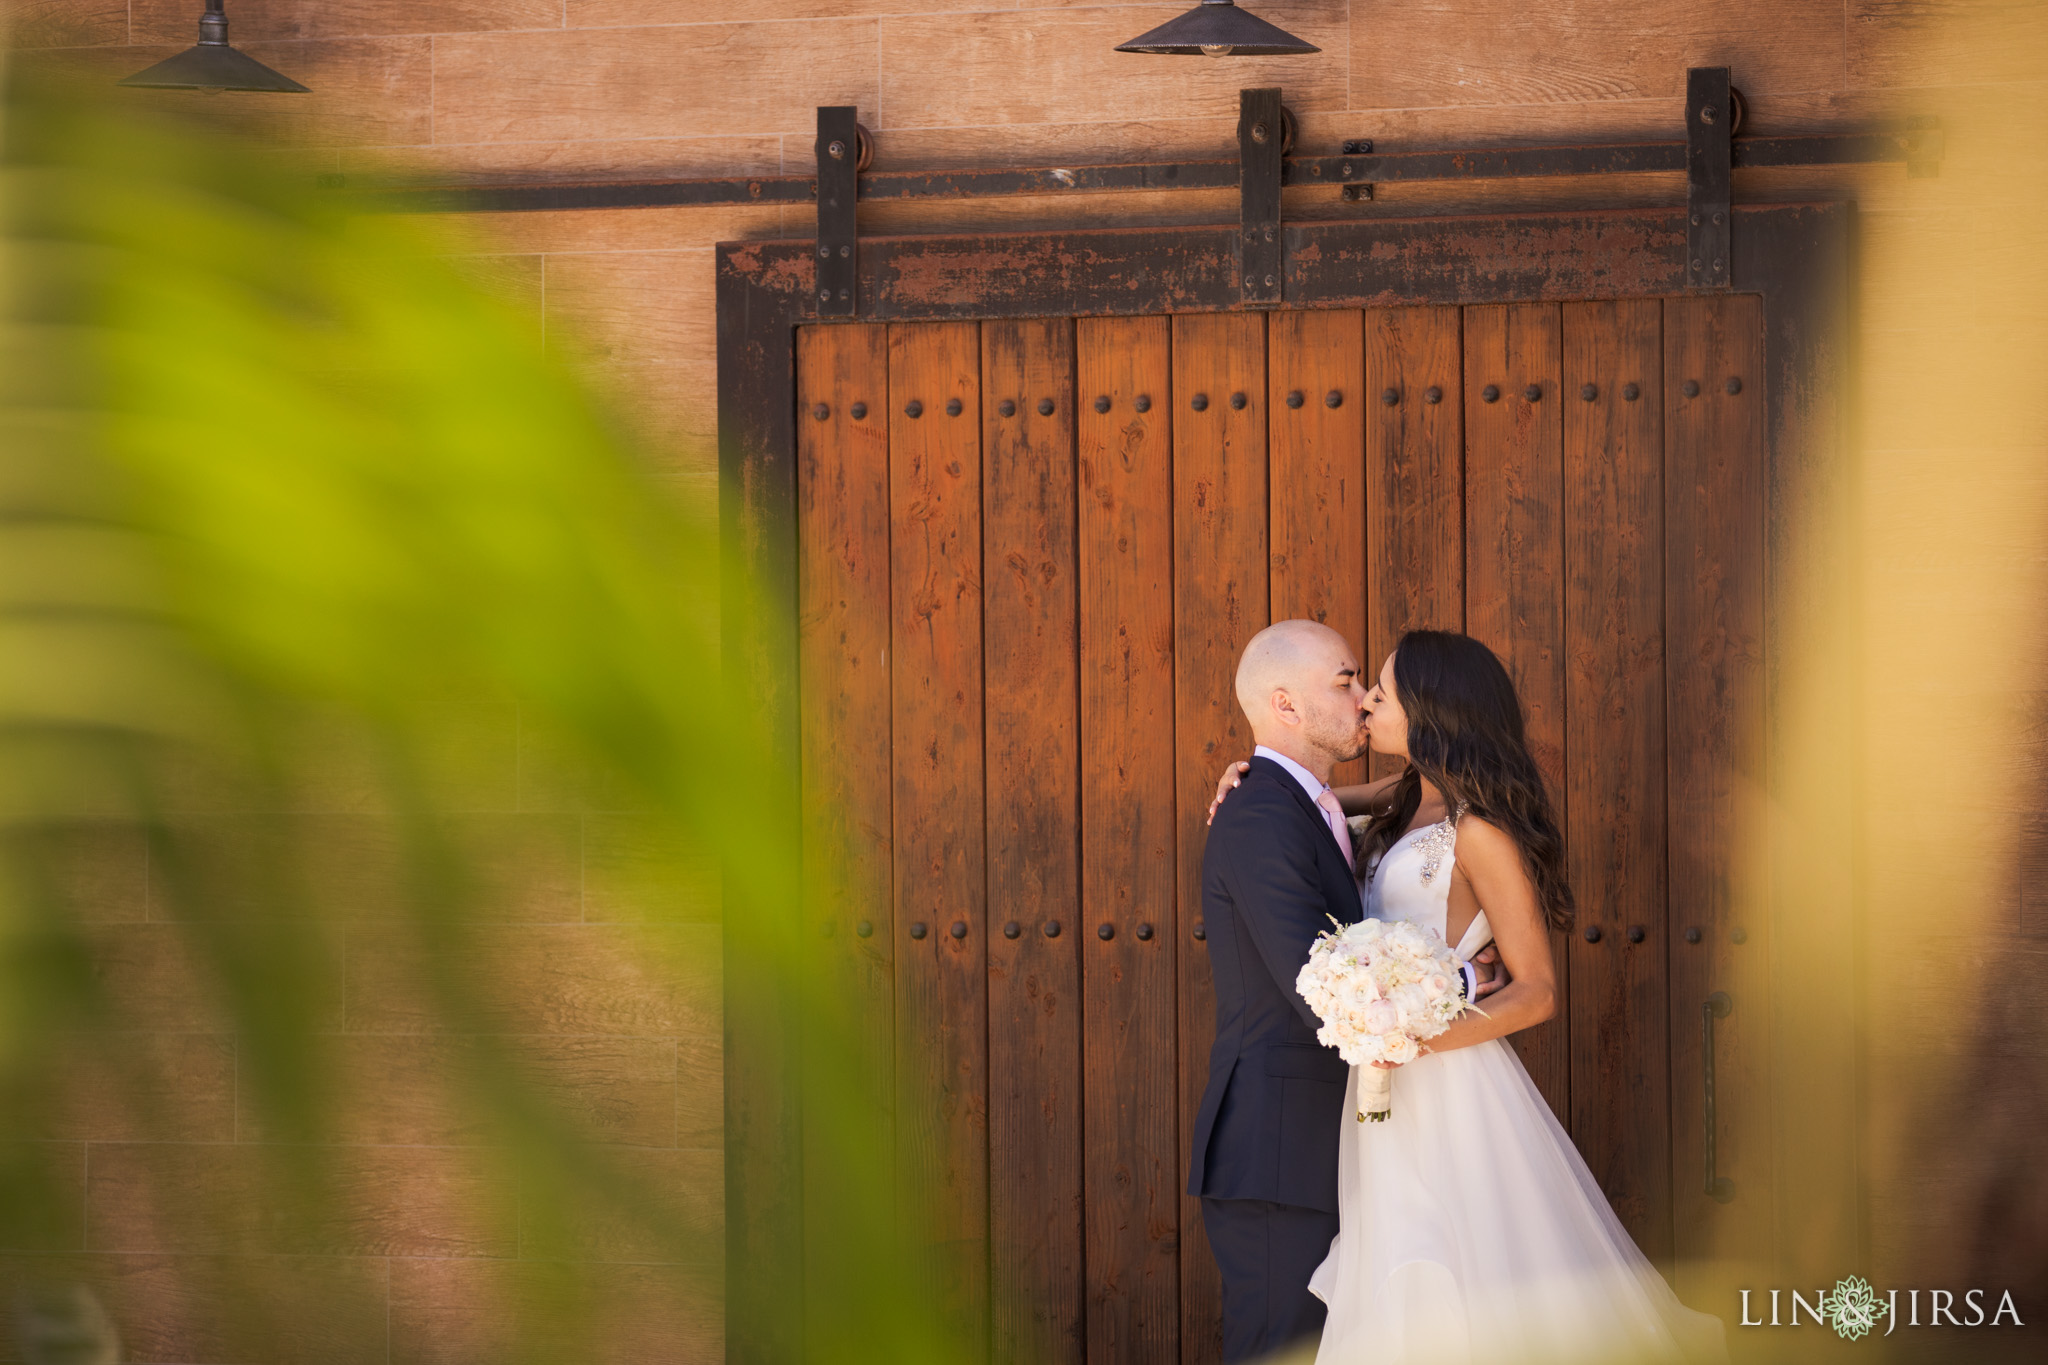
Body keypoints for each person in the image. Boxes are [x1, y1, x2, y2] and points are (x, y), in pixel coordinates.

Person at [1207, 628, 1727, 1364]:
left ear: (1430, 711)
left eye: (1379, 692)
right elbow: (1312, 802)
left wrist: (1410, 1035)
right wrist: (1252, 774)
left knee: (1455, 1276)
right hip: (1376, 1092)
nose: (1365, 704)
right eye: (1360, 688)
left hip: (1439, 1077)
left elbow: (1538, 990)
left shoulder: (1478, 829)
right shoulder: (1401, 798)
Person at [1188, 621, 1505, 1363]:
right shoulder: (1266, 811)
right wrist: (1466, 978)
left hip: (1346, 1146)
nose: (1363, 698)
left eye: (1366, 681)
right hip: (1280, 1155)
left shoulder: (1314, 806)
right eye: (1344, 680)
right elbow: (1322, 987)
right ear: (1285, 704)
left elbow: (1407, 793)